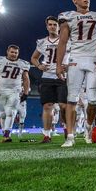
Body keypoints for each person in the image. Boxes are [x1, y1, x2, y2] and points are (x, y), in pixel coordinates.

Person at [56, 0, 96, 148]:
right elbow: (62, 42)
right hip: (75, 60)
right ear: (74, 0)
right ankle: (70, 137)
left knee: (93, 100)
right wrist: (59, 65)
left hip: (94, 60)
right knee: (71, 99)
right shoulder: (67, 16)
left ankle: (88, 126)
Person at [31, 15, 68, 144]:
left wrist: (68, 66)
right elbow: (34, 58)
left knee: (64, 106)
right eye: (50, 24)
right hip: (47, 76)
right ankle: (47, 135)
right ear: (47, 26)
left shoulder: (66, 40)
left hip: (62, 76)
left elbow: (75, 57)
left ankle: (66, 130)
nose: (52, 26)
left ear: (59, 26)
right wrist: (39, 65)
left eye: (55, 24)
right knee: (47, 106)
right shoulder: (42, 42)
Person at [0, 45, 30, 143]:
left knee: (11, 112)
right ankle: (5, 132)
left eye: (16, 53)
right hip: (0, 91)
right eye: (12, 52)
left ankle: (7, 135)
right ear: (7, 52)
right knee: (3, 114)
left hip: (15, 91)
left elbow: (26, 79)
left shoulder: (23, 63)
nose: (14, 54)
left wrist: (25, 92)